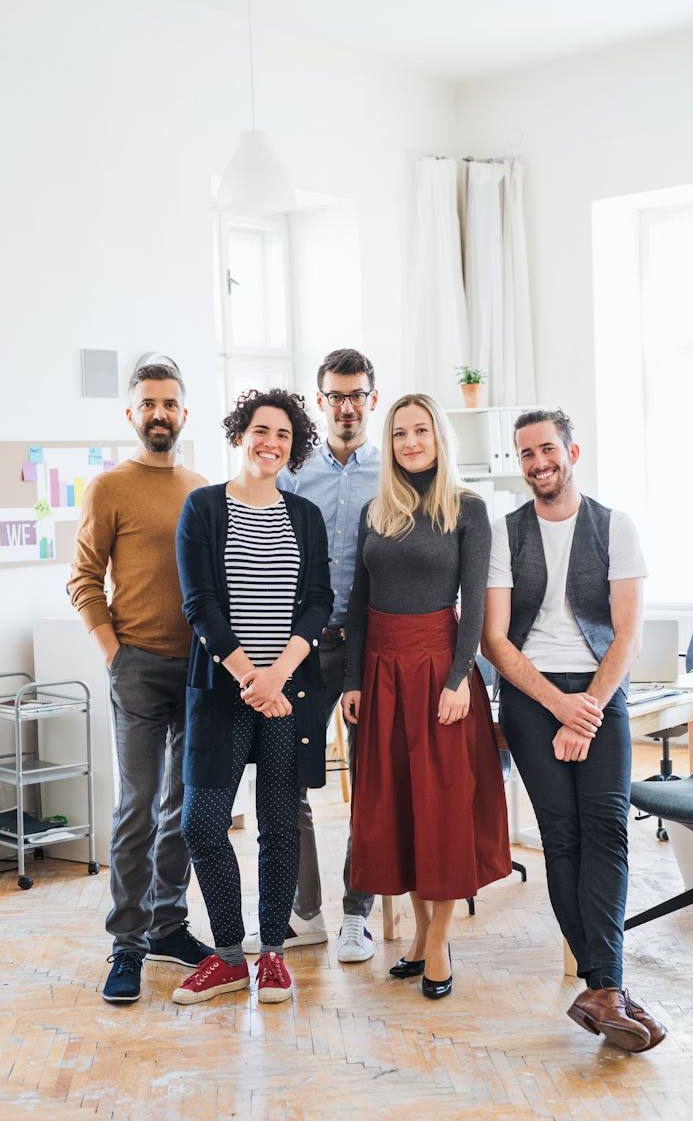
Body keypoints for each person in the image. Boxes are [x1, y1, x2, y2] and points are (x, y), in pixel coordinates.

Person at [482, 408, 667, 1052]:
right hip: (533, 697)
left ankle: (602, 987)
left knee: (607, 828)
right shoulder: (504, 532)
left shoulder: (615, 527)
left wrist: (586, 706)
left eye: (547, 450)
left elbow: (628, 634)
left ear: (572, 451)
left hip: (600, 688)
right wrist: (559, 708)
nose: (537, 464)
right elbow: (496, 640)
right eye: (525, 454)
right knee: (561, 835)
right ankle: (608, 986)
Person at [342, 394, 511, 1000]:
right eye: (399, 433)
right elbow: (360, 605)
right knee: (401, 811)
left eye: (421, 430)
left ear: (439, 436)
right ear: (388, 445)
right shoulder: (374, 511)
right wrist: (353, 680)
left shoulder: (468, 509)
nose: (410, 442)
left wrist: (461, 677)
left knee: (440, 811)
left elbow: (473, 608)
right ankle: (418, 934)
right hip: (382, 672)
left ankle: (438, 941)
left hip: (441, 670)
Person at [171, 389, 333, 1007]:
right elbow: (201, 605)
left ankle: (270, 956)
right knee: (202, 825)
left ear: (295, 448)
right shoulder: (204, 508)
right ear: (242, 434)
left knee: (279, 825)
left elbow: (318, 602)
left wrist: (277, 676)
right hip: (223, 690)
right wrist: (250, 677)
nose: (272, 442)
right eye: (262, 430)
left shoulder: (306, 515)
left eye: (285, 435)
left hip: (289, 694)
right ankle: (228, 953)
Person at [69, 363, 212, 1005]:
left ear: (185, 413)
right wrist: (113, 655)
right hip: (138, 667)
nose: (160, 413)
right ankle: (125, 942)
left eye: (171, 403)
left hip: (200, 671)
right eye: (149, 404)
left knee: (182, 806)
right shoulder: (109, 489)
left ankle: (168, 926)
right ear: (133, 415)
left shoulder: (202, 489)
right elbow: (82, 579)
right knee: (138, 806)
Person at [240, 349, 380, 964]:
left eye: (357, 395)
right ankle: (306, 911)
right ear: (319, 402)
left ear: (372, 399)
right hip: (301, 648)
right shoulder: (292, 475)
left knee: (371, 786)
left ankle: (357, 914)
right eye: (334, 396)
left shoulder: (395, 470)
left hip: (372, 650)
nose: (346, 407)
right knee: (290, 781)